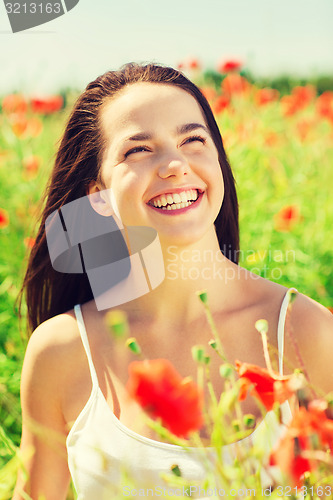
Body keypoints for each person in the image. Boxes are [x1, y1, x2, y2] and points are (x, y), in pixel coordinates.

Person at [13, 63, 333, 500]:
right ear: (97, 196)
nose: (176, 164)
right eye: (139, 150)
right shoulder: (62, 352)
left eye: (193, 140)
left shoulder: (303, 332)